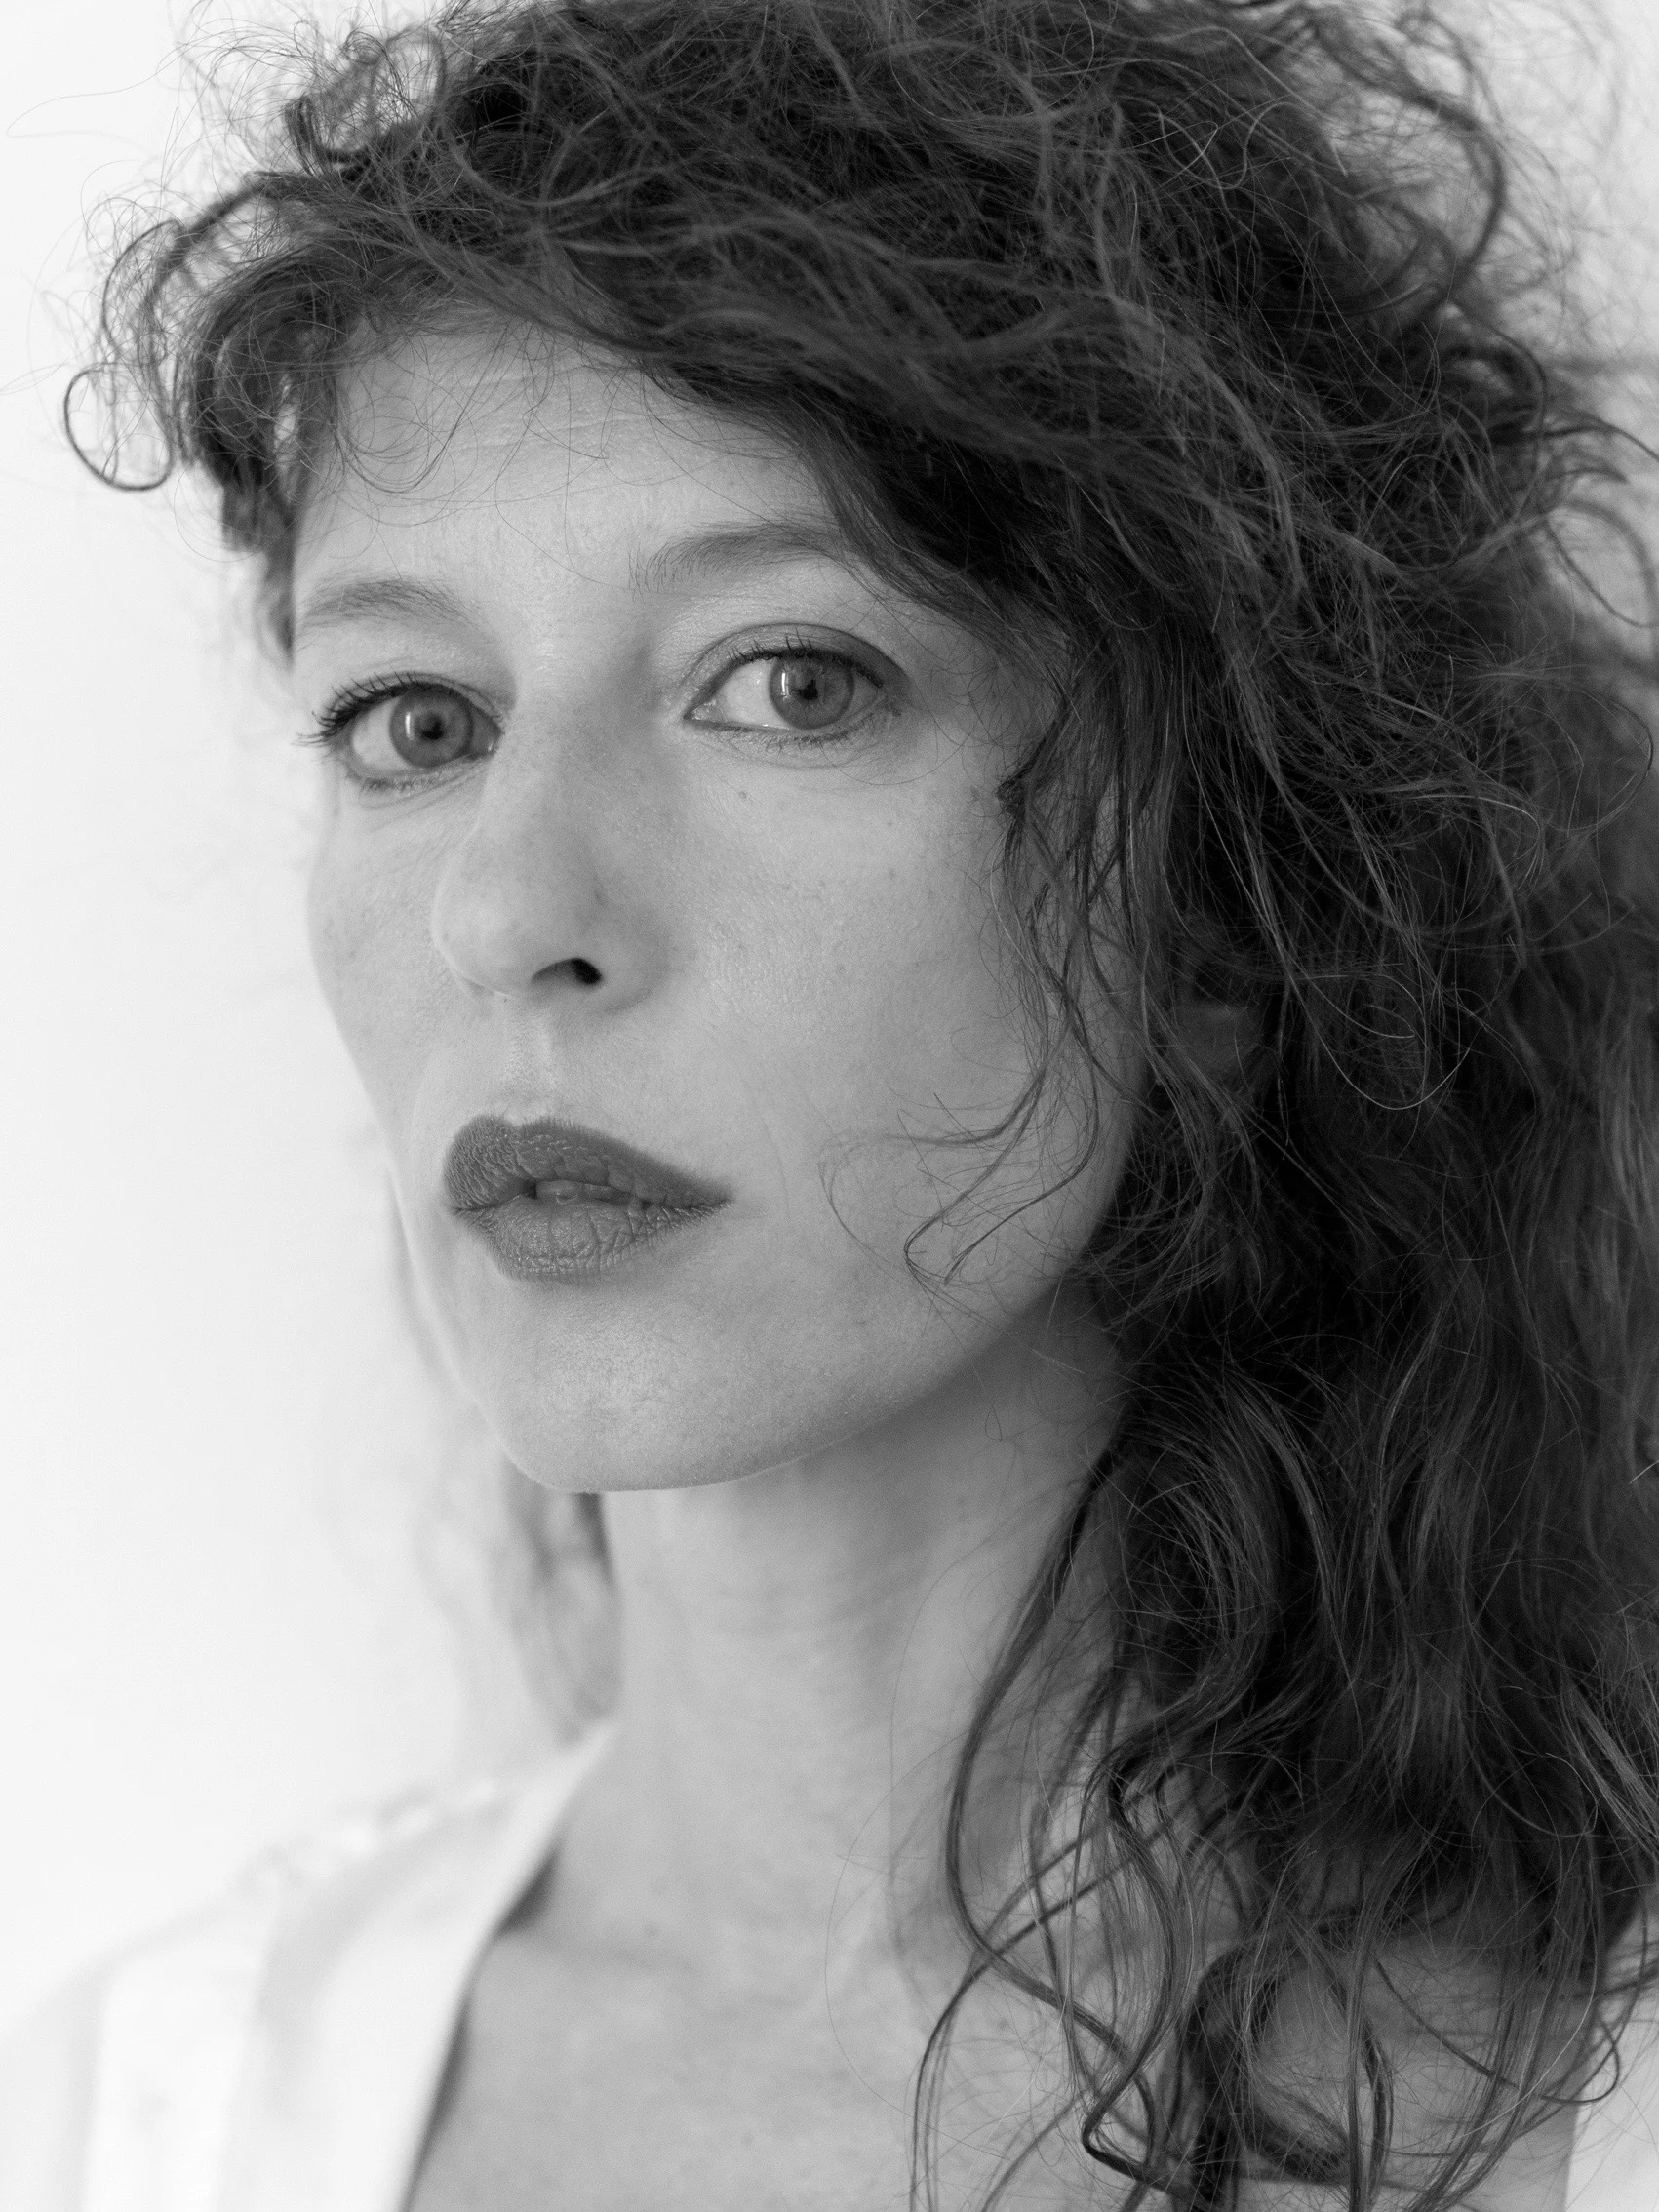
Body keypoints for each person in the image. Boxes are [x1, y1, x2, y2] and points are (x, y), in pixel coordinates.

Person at [5, 0, 1659, 2203]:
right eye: (415, 718)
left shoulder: (1599, 2107)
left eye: (790, 683)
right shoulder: (129, 2125)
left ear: (1221, 903)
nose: (510, 909)